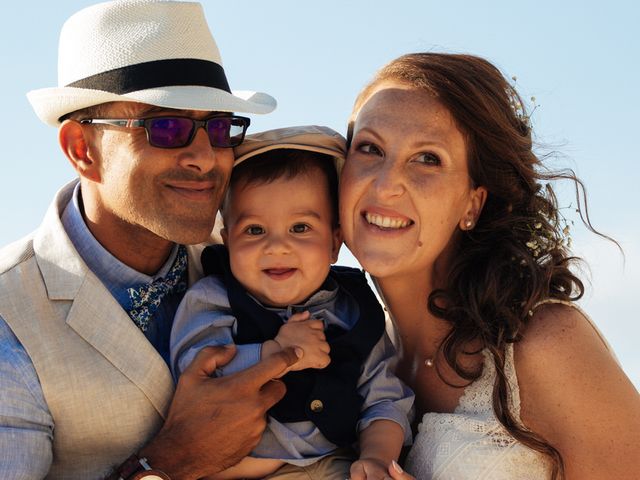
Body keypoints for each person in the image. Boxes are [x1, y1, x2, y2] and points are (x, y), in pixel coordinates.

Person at [0, 1, 302, 479]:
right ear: (82, 149)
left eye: (220, 128)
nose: (206, 157)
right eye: (167, 127)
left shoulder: (256, 253)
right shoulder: (8, 313)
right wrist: (171, 461)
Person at [338, 52, 640, 479]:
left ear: (472, 203)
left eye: (427, 158)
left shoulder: (545, 344)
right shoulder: (355, 347)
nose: (387, 184)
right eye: (370, 148)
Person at [170, 126, 414, 480]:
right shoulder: (213, 298)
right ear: (227, 241)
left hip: (334, 464)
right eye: (254, 230)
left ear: (334, 243)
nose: (277, 246)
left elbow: (385, 399)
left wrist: (376, 457)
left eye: (300, 228)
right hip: (239, 469)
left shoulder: (354, 311)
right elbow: (196, 371)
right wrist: (277, 353)